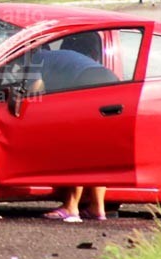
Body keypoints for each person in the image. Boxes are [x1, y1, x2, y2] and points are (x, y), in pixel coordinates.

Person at [27, 46, 117, 223]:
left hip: (88, 81)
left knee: (78, 147)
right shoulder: (58, 57)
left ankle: (71, 207)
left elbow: (36, 90)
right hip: (112, 81)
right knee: (96, 150)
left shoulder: (33, 59)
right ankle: (97, 209)